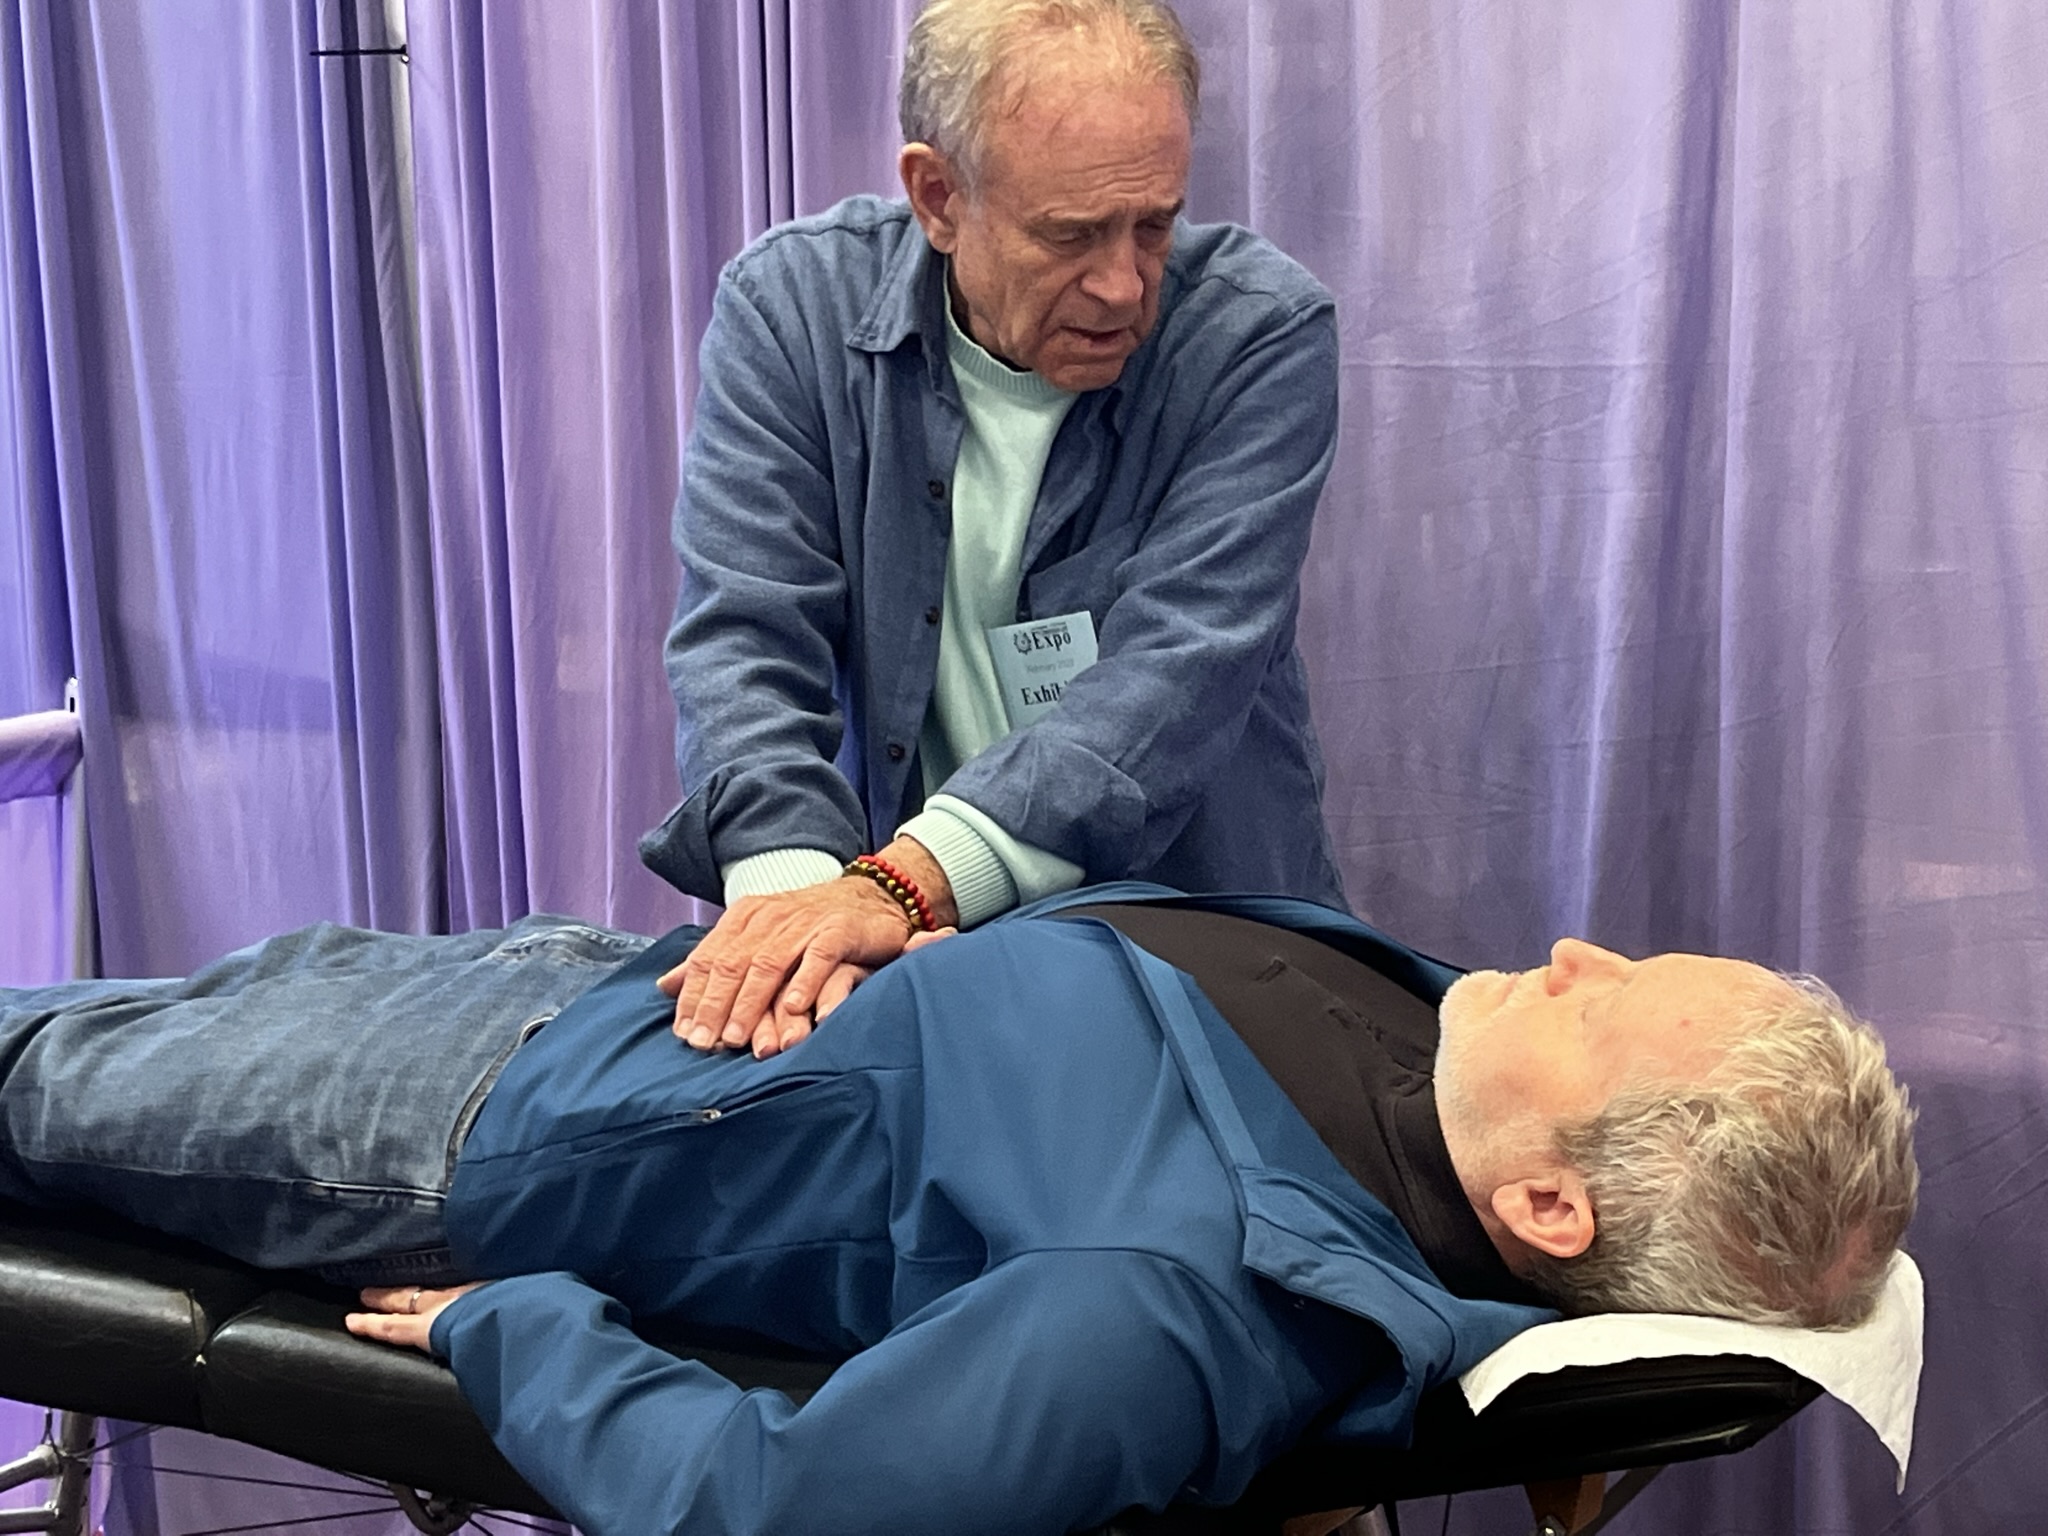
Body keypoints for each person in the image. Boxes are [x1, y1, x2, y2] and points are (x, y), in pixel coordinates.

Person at [0, 886, 1917, 1536]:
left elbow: (782, 1514)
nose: (1576, 950)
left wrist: (525, 1330)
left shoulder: (1166, 1304)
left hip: (455, 1122)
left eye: (1607, 995)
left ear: (1549, 1207)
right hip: (605, 984)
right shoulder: (1438, 1069)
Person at [643, 0, 1352, 1059]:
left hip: (1209, 961)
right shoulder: (791, 311)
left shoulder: (1258, 336)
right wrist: (794, 925)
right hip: (919, 962)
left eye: (1153, 225)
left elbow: (1177, 672)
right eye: (1070, 235)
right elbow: (745, 638)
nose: (1123, 285)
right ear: (938, 195)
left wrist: (892, 890)